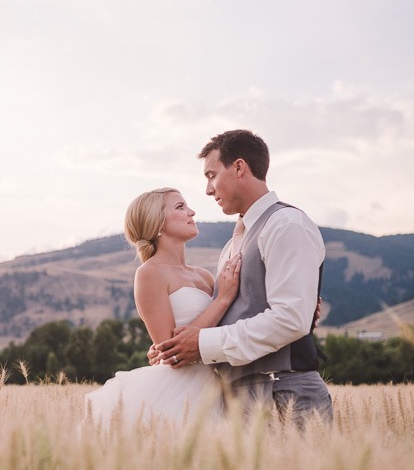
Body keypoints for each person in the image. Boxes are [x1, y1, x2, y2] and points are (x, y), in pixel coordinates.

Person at [149, 129, 333, 426]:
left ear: (238, 167)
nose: (208, 189)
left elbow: (290, 318)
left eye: (211, 175)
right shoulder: (231, 245)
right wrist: (171, 348)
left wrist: (202, 343)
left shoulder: (286, 225)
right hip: (240, 399)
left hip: (283, 391)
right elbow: (237, 309)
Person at [84, 187, 242, 428]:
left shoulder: (205, 276)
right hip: (179, 391)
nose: (192, 212)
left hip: (218, 386)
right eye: (180, 207)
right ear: (156, 223)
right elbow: (172, 351)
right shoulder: (149, 274)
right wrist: (223, 299)